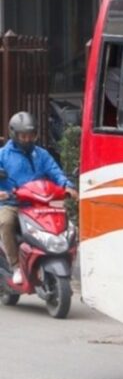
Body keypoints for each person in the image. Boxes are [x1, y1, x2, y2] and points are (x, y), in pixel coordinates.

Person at [0, 112, 77, 285]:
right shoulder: (3, 155)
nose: (27, 139)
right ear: (14, 134)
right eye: (23, 135)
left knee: (66, 220)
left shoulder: (41, 154)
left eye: (31, 135)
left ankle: (61, 255)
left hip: (41, 202)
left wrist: (67, 186)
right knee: (5, 223)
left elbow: (55, 171)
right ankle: (16, 266)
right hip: (13, 203)